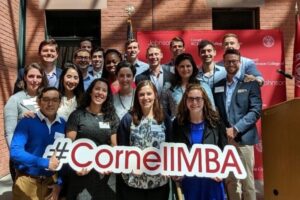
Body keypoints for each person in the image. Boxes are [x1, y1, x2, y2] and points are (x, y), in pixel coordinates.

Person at [213, 48, 262, 200]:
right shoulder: (217, 85)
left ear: (240, 63)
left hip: (244, 139)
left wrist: (236, 129)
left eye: (234, 61)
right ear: (224, 63)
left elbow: (255, 111)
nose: (231, 64)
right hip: (225, 140)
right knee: (231, 180)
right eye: (228, 61)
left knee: (247, 181)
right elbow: (217, 113)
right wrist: (224, 131)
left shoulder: (250, 83)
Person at [117, 80, 172, 200]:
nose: (145, 97)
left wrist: (168, 167)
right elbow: (122, 149)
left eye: (149, 94)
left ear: (155, 95)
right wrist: (130, 167)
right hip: (134, 182)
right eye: (141, 94)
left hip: (159, 182)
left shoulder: (164, 118)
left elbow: (170, 146)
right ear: (137, 97)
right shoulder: (128, 119)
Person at [65, 78, 119, 199]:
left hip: (104, 174)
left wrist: (109, 164)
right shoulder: (77, 115)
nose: (100, 92)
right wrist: (75, 167)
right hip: (81, 172)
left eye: (104, 90)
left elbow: (114, 146)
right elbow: (69, 144)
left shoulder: (112, 117)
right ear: (90, 92)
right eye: (97, 89)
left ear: (107, 95)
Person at [172, 83, 227, 200]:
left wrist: (222, 171)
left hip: (212, 180)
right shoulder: (178, 123)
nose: (194, 102)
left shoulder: (216, 122)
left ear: (204, 100)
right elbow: (174, 152)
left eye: (198, 99)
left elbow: (224, 150)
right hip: (190, 181)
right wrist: (176, 171)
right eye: (190, 99)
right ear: (185, 101)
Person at [10, 87, 65, 200]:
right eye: (46, 99)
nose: (50, 103)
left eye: (55, 100)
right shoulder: (27, 121)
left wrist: (59, 184)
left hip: (50, 183)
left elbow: (65, 157)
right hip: (26, 182)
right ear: (39, 102)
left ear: (60, 102)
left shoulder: (64, 124)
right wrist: (45, 162)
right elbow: (15, 152)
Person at [4, 63, 48, 181]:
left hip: (45, 157)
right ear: (24, 77)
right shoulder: (15, 100)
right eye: (31, 76)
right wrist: (18, 158)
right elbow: (10, 133)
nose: (35, 80)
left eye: (38, 77)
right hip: (23, 160)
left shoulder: (47, 98)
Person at [162, 53, 215, 119]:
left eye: (188, 66)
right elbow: (163, 111)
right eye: (182, 66)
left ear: (193, 67)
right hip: (177, 127)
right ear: (177, 68)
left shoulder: (203, 86)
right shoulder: (168, 87)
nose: (185, 69)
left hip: (200, 126)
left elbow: (212, 109)